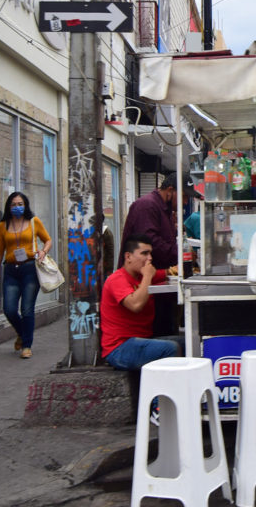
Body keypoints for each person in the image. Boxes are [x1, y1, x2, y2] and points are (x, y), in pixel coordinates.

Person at [100, 234, 183, 424]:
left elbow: (167, 273)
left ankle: (179, 399)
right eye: (144, 253)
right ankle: (158, 408)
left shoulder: (142, 275)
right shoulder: (117, 280)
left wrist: (175, 269)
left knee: (186, 343)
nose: (149, 258)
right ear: (128, 256)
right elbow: (135, 304)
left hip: (141, 341)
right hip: (119, 348)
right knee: (169, 348)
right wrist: (147, 277)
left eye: (150, 254)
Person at [119, 171, 202, 336]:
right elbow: (152, 243)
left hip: (158, 281)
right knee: (159, 333)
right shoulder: (147, 205)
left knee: (168, 329)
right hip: (143, 283)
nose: (185, 202)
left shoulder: (165, 210)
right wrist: (181, 255)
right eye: (184, 196)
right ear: (170, 190)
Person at [0, 192, 52, 359]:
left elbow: (48, 239)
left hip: (30, 269)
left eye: (20, 204)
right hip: (11, 270)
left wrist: (43, 252)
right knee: (9, 309)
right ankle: (21, 332)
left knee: (27, 309)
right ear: (8, 207)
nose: (17, 207)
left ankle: (27, 345)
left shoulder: (34, 222)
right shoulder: (3, 225)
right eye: (13, 204)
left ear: (25, 205)